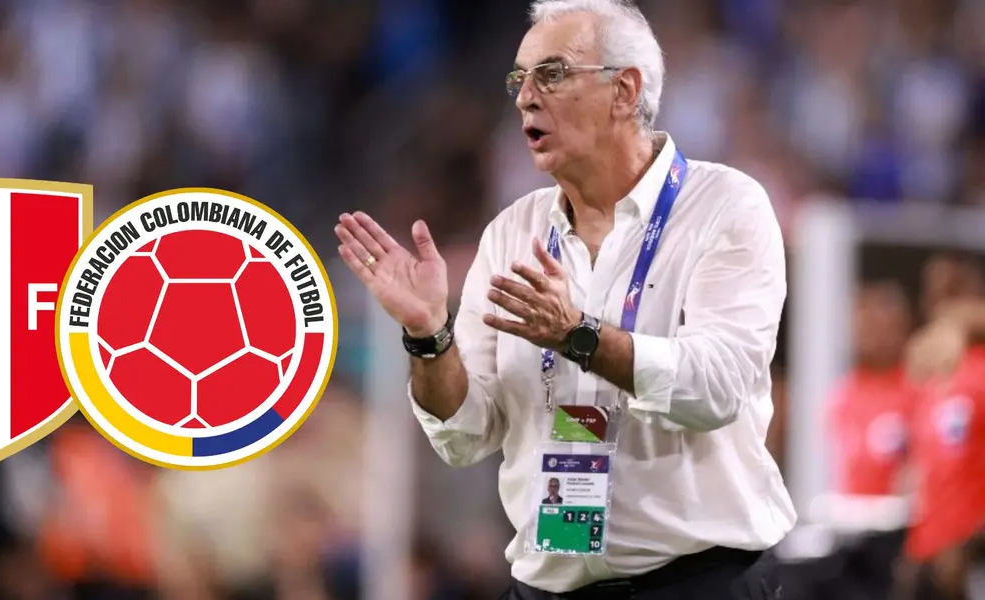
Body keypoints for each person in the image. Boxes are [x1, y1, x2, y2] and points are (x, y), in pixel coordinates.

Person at [334, 0, 794, 597]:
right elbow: (466, 434)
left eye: (551, 74)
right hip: (546, 586)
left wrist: (580, 335)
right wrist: (429, 335)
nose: (526, 98)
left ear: (625, 91)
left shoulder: (725, 207)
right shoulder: (510, 233)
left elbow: (718, 387)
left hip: (698, 581)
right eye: (518, 80)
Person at [893, 254, 985, 600]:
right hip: (927, 552)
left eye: (954, 291)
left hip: (971, 554)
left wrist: (973, 542)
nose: (942, 305)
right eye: (933, 295)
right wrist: (915, 544)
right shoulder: (932, 378)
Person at [827, 280, 917, 497]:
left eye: (878, 324)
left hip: (901, 512)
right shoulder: (843, 392)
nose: (868, 332)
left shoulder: (918, 387)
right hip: (850, 509)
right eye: (863, 323)